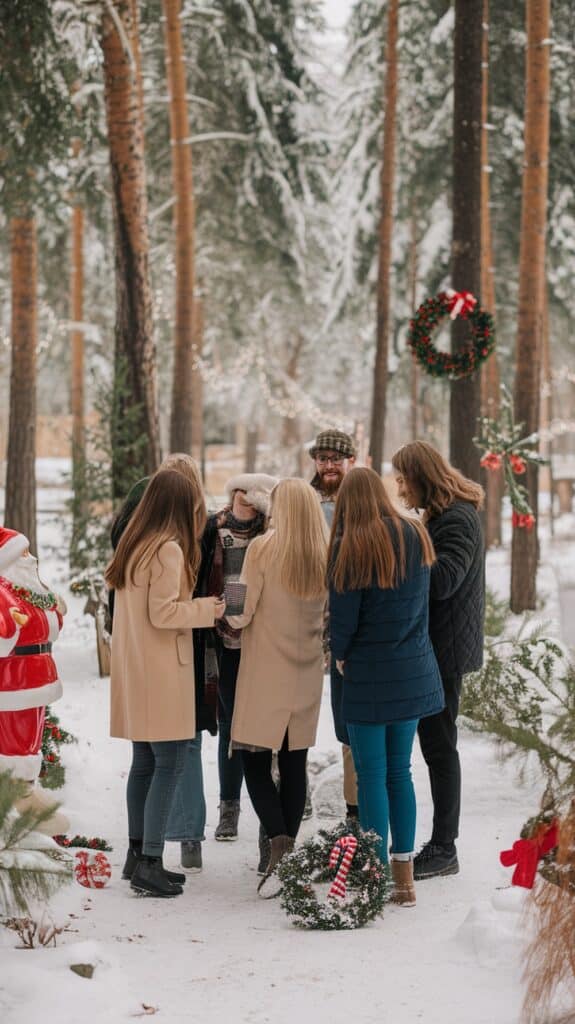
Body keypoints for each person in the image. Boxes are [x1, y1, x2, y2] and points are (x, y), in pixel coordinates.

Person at [105, 469, 225, 898]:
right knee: (170, 761)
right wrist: (209, 608)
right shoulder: (168, 549)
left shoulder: (134, 544)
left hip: (137, 669)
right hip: (161, 671)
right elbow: (164, 613)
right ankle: (151, 862)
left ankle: (137, 855)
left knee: (144, 762)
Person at [328, 468, 444, 906]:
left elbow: (344, 620)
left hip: (369, 674)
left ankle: (374, 876)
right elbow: (421, 606)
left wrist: (339, 655)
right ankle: (404, 878)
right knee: (401, 772)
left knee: (371, 775)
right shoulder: (416, 535)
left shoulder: (349, 546)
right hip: (412, 668)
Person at [227, 478, 329, 896]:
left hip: (265, 670)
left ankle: (280, 845)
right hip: (305, 673)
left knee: (252, 760)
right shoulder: (324, 554)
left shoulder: (263, 548)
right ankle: (289, 854)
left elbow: (240, 611)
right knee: (293, 763)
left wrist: (226, 595)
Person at [392, 441, 485, 880]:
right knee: (434, 747)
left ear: (421, 477)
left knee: (440, 749)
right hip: (436, 646)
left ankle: (445, 847)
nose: (399, 487)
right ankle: (440, 843)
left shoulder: (458, 518)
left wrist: (404, 550)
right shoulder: (444, 515)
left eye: (402, 478)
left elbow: (445, 580)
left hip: (444, 651)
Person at [205, 473, 277, 844]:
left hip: (265, 641)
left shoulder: (272, 533)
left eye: (255, 495)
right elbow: (218, 582)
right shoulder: (214, 529)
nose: (247, 500)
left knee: (271, 725)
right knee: (231, 724)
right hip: (225, 638)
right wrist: (229, 617)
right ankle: (229, 806)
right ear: (231, 494)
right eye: (241, 493)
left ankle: (277, 802)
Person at [0, 527, 68, 834]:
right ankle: (16, 797)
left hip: (38, 677)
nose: (30, 558)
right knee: (16, 736)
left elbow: (52, 621)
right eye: (22, 553)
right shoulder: (5, 592)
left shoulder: (28, 589)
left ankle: (26, 788)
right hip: (15, 681)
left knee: (32, 735)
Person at [309, 429, 359, 820]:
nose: (329, 466)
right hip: (306, 617)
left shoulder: (362, 503)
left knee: (349, 722)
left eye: (336, 459)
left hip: (347, 619)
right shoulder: (304, 502)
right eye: (323, 458)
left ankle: (355, 810)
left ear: (350, 462)